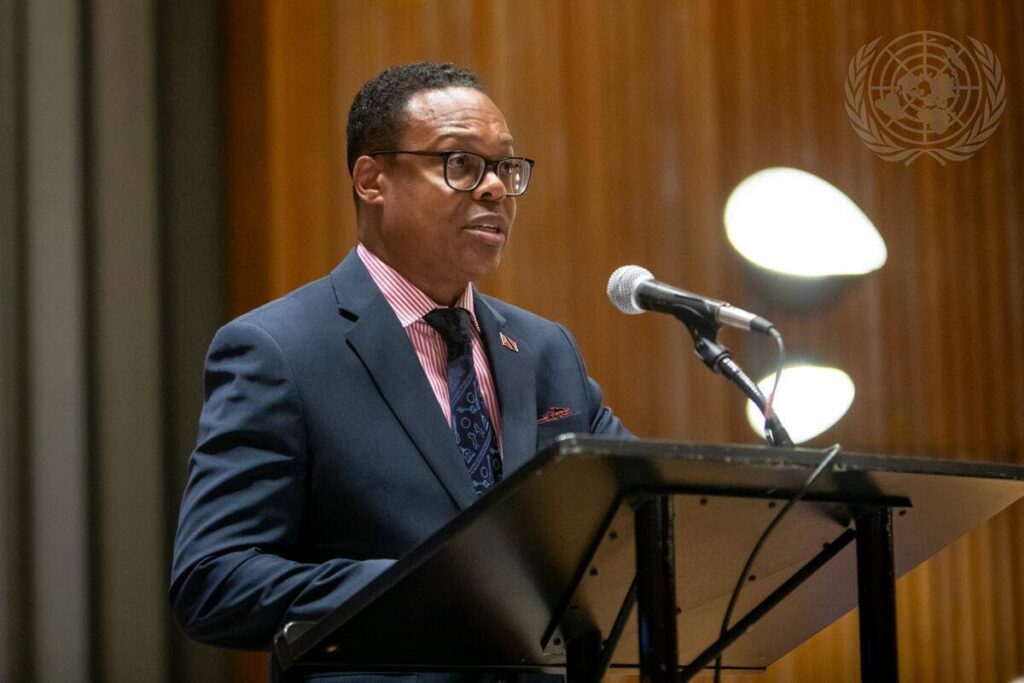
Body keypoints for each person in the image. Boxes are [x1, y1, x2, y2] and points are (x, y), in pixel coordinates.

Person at [170, 62, 629, 681]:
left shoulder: (547, 351)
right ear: (372, 180)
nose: (494, 188)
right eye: (460, 164)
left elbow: (639, 513)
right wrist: (425, 588)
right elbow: (213, 579)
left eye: (506, 168)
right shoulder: (279, 351)